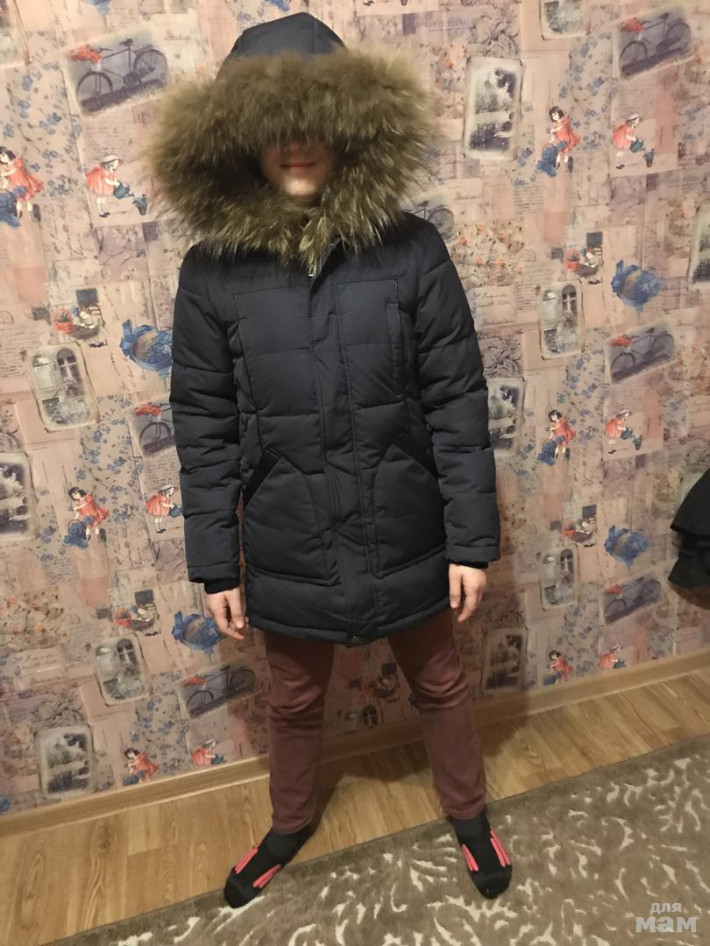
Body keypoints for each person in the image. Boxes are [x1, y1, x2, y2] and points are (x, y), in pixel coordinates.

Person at [149, 12, 511, 910]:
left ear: (355, 127)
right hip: (289, 538)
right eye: (275, 124)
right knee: (293, 698)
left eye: (317, 120)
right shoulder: (213, 273)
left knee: (441, 681)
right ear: (239, 139)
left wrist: (471, 542)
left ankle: (470, 815)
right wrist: (215, 564)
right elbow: (203, 425)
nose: (297, 141)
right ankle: (289, 822)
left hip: (407, 522)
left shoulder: (412, 251)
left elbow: (457, 399)